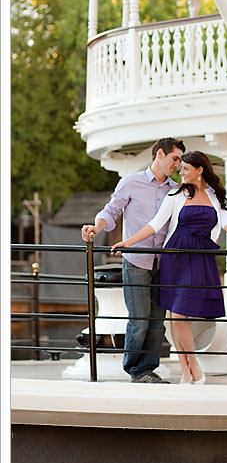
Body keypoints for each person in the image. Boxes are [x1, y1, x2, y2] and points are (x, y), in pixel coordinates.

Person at [112, 151, 227, 384]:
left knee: (184, 314)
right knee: (177, 314)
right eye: (180, 168)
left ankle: (191, 368)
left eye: (186, 169)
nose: (181, 173)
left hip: (201, 258)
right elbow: (155, 225)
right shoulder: (176, 194)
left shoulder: (217, 196)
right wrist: (128, 242)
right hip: (176, 257)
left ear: (200, 170)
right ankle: (188, 369)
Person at [82, 138, 185, 383]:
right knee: (139, 319)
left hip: (164, 263)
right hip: (137, 259)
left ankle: (148, 369)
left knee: (157, 321)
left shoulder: (175, 189)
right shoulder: (131, 182)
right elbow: (111, 210)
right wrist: (97, 227)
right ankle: (136, 370)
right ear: (160, 154)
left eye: (180, 160)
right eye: (175, 159)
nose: (178, 165)